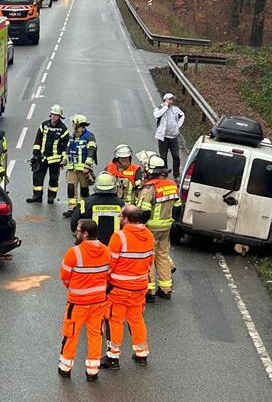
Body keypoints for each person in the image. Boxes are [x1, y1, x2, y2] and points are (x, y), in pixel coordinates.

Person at [101, 205, 154, 370]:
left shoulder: (119, 237)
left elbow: (110, 264)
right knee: (136, 319)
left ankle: (112, 357)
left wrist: (104, 282)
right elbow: (150, 261)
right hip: (139, 287)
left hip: (119, 289)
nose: (119, 219)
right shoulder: (149, 235)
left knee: (114, 321)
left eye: (120, 216)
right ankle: (141, 353)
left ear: (126, 219)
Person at [58, 219, 110, 382]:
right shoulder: (106, 251)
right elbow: (107, 275)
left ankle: (65, 367)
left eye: (78, 230)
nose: (76, 233)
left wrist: (75, 288)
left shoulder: (74, 253)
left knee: (71, 333)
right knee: (95, 335)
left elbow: (64, 278)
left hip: (78, 303)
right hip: (98, 302)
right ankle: (92, 371)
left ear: (85, 234)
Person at [137, 154, 182, 302]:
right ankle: (165, 289)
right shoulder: (172, 185)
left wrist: (139, 226)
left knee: (149, 258)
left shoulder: (150, 188)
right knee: (163, 256)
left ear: (150, 171)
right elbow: (177, 208)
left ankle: (149, 291)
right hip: (166, 228)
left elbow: (144, 212)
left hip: (150, 229)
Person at [27, 105, 69, 204]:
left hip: (55, 160)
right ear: (50, 115)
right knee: (37, 177)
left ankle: (51, 197)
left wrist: (63, 158)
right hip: (42, 158)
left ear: (60, 117)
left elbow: (66, 145)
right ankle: (37, 196)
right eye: (53, 115)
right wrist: (36, 154)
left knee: (53, 179)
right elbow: (38, 140)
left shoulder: (63, 129)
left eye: (56, 115)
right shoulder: (44, 125)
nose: (54, 117)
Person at [69, 172, 124, 245]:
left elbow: (74, 223)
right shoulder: (121, 204)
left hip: (92, 244)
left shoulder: (86, 203)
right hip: (115, 244)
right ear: (113, 186)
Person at [62, 114, 97, 217]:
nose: (72, 125)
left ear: (78, 124)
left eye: (73, 123)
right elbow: (68, 150)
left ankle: (83, 209)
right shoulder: (72, 136)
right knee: (71, 187)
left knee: (84, 189)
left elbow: (91, 151)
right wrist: (64, 161)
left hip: (83, 169)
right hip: (72, 168)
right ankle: (71, 208)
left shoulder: (89, 136)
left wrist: (87, 166)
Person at [153, 93, 185, 181]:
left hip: (173, 137)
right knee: (163, 157)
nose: (171, 101)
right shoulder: (159, 108)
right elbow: (157, 115)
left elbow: (182, 115)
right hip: (163, 138)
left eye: (172, 100)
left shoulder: (175, 109)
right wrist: (165, 107)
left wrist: (178, 126)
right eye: (169, 99)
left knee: (176, 157)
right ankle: (165, 173)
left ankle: (176, 175)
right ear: (165, 100)